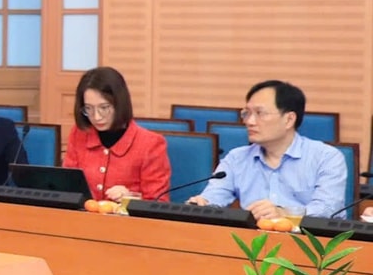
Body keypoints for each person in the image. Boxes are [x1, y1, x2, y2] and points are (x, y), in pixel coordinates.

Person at [189, 80, 346, 219]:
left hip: (307, 240)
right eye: (247, 113)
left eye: (260, 113)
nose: (249, 121)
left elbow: (328, 209)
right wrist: (203, 204)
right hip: (253, 240)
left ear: (289, 119)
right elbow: (215, 195)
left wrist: (285, 213)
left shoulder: (326, 157)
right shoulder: (237, 158)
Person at [62, 66, 171, 200]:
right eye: (88, 108)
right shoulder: (79, 134)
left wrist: (131, 198)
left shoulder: (151, 144)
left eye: (104, 108)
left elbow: (159, 202)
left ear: (119, 103)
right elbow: (68, 188)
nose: (96, 117)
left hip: (126, 214)